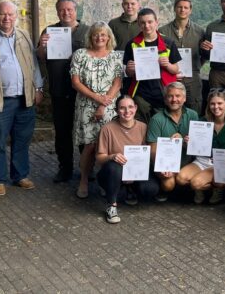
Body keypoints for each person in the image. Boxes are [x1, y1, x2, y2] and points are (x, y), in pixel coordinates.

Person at [0, 1, 44, 195]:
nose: (6, 18)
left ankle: (20, 175)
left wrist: (39, 87)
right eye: (2, 14)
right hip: (0, 99)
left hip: (25, 98)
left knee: (22, 139)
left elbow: (33, 63)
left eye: (10, 14)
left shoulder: (24, 35)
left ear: (16, 16)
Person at [37, 0, 90, 183]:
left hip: (84, 92)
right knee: (62, 132)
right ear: (57, 11)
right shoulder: (50, 31)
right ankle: (64, 168)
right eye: (62, 10)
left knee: (84, 131)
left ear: (76, 10)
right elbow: (41, 58)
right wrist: (43, 45)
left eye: (69, 9)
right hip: (59, 91)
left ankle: (87, 169)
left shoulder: (87, 31)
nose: (66, 13)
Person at [70, 22, 123, 199]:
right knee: (90, 145)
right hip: (86, 105)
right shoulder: (80, 55)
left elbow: (117, 82)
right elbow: (75, 82)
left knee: (107, 147)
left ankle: (104, 180)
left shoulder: (115, 56)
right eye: (96, 35)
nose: (99, 38)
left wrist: (103, 103)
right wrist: (96, 98)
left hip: (109, 105)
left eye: (103, 35)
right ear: (90, 37)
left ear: (109, 37)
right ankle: (84, 179)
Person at [95, 95, 158, 223]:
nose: (127, 111)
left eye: (130, 107)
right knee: (114, 165)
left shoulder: (143, 127)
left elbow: (147, 154)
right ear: (117, 111)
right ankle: (111, 205)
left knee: (151, 189)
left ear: (135, 108)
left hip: (135, 172)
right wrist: (112, 156)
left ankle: (130, 190)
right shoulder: (107, 129)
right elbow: (99, 158)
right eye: (122, 108)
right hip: (113, 172)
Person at [176, 88, 225, 205]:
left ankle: (217, 188)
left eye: (220, 103)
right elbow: (195, 144)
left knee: (195, 183)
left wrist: (224, 158)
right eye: (212, 103)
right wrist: (189, 141)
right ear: (209, 105)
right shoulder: (202, 121)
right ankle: (211, 184)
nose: (216, 107)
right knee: (180, 179)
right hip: (201, 160)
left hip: (220, 162)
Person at [123, 7, 181, 123]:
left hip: (162, 92)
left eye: (150, 22)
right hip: (141, 93)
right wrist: (130, 69)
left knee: (162, 125)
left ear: (156, 22)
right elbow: (128, 73)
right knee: (141, 126)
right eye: (143, 23)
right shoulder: (132, 44)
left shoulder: (168, 43)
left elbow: (176, 69)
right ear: (139, 24)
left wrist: (168, 65)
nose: (147, 26)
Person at [146, 82, 200, 201]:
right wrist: (161, 168)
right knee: (168, 185)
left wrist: (185, 141)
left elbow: (199, 145)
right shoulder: (156, 119)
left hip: (188, 164)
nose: (174, 99)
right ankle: (167, 188)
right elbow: (153, 149)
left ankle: (184, 185)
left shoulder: (193, 115)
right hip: (166, 164)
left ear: (184, 98)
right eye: (170, 96)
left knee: (185, 180)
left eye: (178, 96)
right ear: (165, 99)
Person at [158, 0, 205, 113]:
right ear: (174, 8)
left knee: (194, 109)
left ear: (190, 10)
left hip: (192, 78)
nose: (182, 10)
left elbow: (204, 55)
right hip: (170, 78)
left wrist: (196, 68)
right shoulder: (163, 31)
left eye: (185, 7)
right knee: (169, 109)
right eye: (179, 7)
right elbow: (159, 54)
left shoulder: (199, 31)